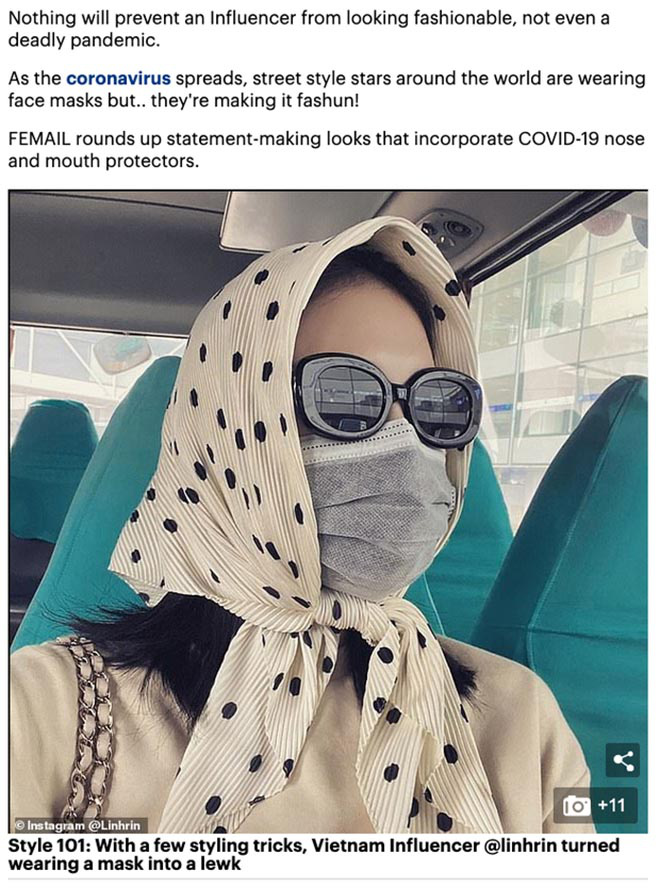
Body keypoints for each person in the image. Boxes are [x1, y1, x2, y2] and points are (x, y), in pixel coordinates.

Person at [10, 216, 593, 834]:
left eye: (435, 405)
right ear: (232, 429)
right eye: (345, 395)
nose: (406, 446)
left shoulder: (522, 720)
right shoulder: (46, 711)